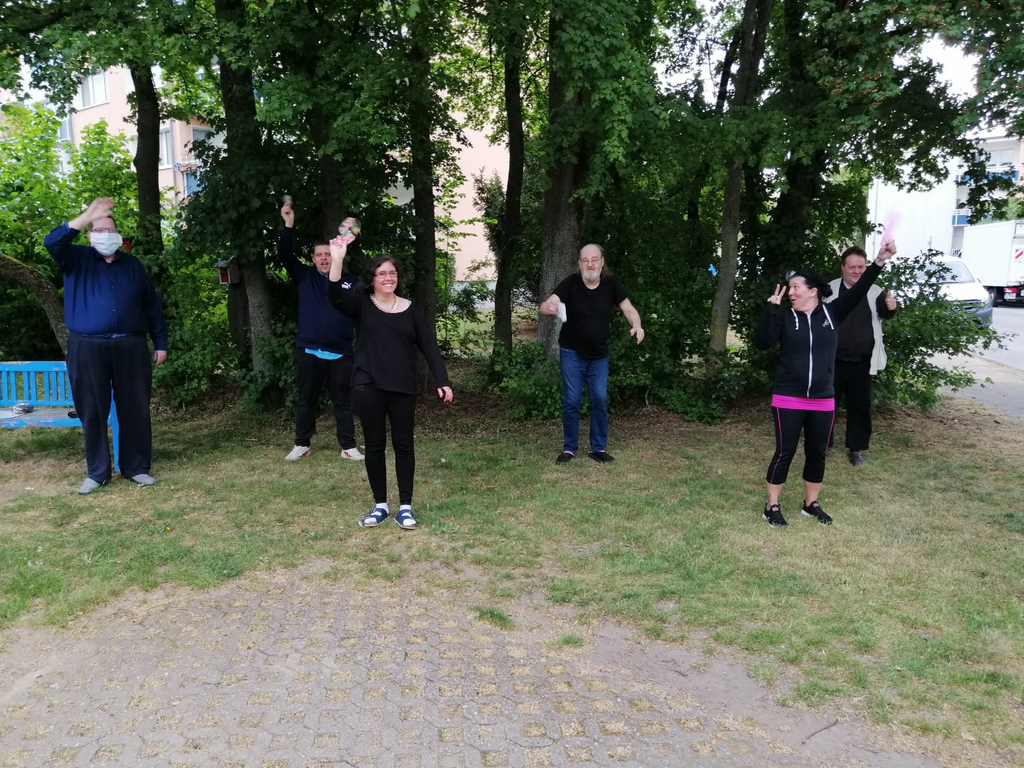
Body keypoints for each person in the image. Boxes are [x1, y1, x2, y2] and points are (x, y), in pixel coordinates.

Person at [753, 241, 897, 527]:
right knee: (785, 451)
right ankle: (771, 506)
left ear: (813, 291)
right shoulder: (783, 315)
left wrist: (879, 261)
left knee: (818, 452)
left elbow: (860, 288)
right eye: (790, 287)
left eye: (796, 287)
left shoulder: (833, 314)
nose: (790, 291)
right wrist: (770, 310)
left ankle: (811, 504)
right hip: (788, 396)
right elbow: (762, 343)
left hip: (822, 397)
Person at [43, 197, 168, 494]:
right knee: (92, 410)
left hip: (131, 346)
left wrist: (160, 342)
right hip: (87, 347)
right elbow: (52, 242)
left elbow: (153, 306)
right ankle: (97, 472)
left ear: (118, 234)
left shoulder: (133, 265)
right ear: (89, 234)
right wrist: (87, 215)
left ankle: (136, 467)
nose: (104, 234)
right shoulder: (76, 258)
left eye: (108, 229)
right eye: (97, 229)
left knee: (135, 408)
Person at [327, 238, 453, 530]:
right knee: (374, 446)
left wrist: (442, 379)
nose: (388, 278)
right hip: (367, 384)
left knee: (404, 445)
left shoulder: (411, 309)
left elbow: (429, 346)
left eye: (392, 273)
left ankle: (405, 508)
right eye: (382, 273)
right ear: (372, 279)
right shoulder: (361, 304)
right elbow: (334, 296)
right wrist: (337, 259)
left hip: (402, 386)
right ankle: (381, 505)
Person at [539, 244, 644, 465]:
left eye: (594, 259)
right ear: (579, 263)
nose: (590, 264)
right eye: (585, 260)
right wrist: (547, 307)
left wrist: (637, 325)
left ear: (602, 262)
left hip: (599, 356)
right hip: (571, 353)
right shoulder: (571, 283)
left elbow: (628, 309)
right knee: (571, 400)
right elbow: (548, 304)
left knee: (599, 398)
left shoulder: (611, 285)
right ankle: (569, 449)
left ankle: (598, 448)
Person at [278, 202, 362, 462]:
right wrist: (288, 225)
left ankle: (348, 447)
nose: (324, 258)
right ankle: (301, 444)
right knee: (306, 400)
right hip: (309, 350)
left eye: (328, 254)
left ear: (337, 255)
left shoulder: (352, 282)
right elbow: (285, 255)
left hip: (340, 352)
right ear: (313, 259)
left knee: (343, 402)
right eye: (319, 255)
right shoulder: (304, 276)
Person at [825, 246, 899, 466]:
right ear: (843, 268)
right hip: (832, 360)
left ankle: (856, 450)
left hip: (862, 362)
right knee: (826, 405)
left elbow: (886, 312)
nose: (857, 271)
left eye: (861, 266)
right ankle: (823, 444)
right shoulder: (829, 289)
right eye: (852, 267)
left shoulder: (876, 291)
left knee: (860, 407)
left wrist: (892, 307)